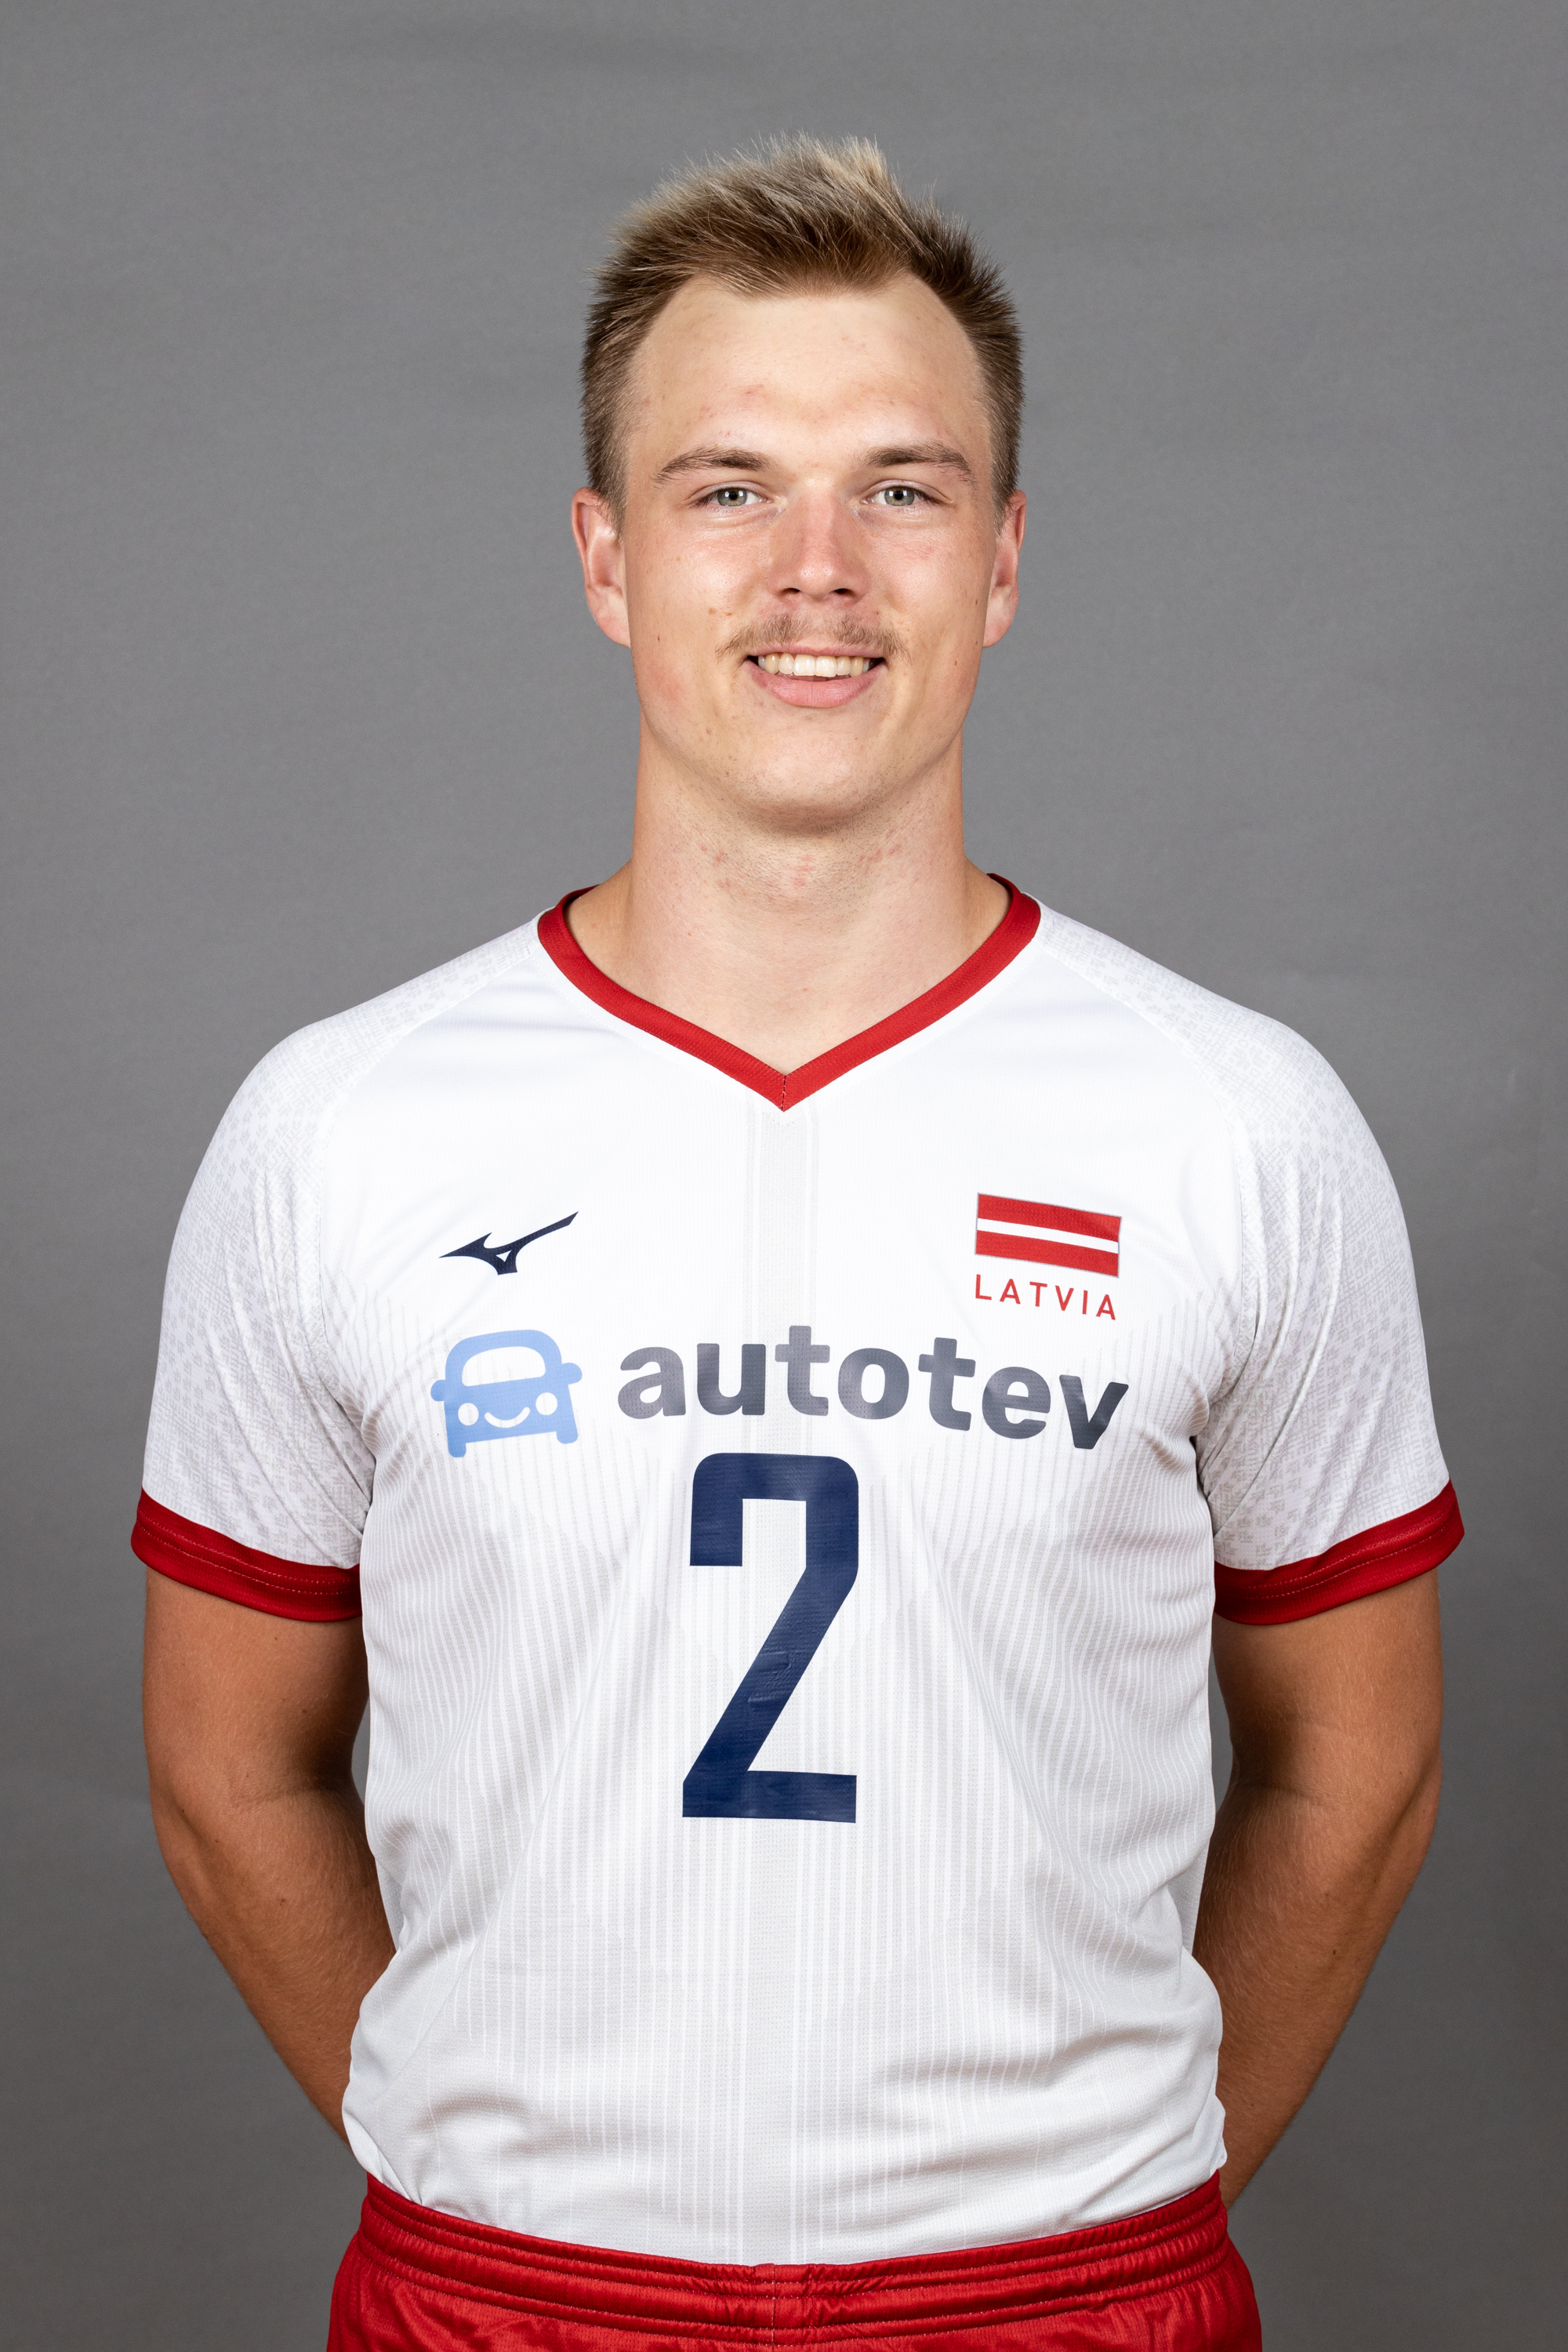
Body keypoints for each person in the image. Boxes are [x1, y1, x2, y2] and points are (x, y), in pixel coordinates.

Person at [136, 140, 1460, 2351]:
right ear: (606, 554)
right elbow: (221, 1765)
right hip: (506, 2300)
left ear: (1005, 558)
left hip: (1070, 2297)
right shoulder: (336, 1128)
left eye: (903, 489)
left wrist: (1117, 2194)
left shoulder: (1240, 1123)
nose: (816, 570)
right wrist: (480, 2165)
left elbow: (1360, 1763)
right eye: (729, 487)